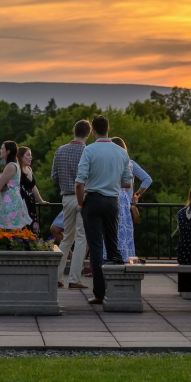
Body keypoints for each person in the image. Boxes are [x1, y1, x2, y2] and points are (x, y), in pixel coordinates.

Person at [76, 115, 133, 304]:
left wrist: (81, 204)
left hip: (93, 200)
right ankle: (117, 288)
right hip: (112, 202)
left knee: (96, 248)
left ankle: (99, 293)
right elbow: (127, 182)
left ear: (93, 130)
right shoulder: (121, 152)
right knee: (112, 245)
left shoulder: (89, 150)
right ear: (108, 128)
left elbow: (79, 182)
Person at [51, 119, 91, 290]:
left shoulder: (60, 151)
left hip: (66, 198)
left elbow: (54, 176)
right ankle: (74, 279)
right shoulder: (88, 151)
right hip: (84, 197)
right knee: (81, 239)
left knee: (66, 239)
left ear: (74, 131)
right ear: (87, 134)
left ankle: (58, 277)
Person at [104, 137, 152, 262]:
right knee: (124, 233)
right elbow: (147, 179)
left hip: (112, 198)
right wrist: (136, 195)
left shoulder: (111, 163)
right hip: (127, 203)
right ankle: (125, 257)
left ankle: (109, 258)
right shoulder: (130, 163)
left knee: (110, 229)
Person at [0, 140, 29, 230]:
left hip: (10, 203)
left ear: (8, 152)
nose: (0, 151)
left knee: (9, 231)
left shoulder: (10, 166)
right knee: (11, 232)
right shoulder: (15, 165)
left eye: (2, 149)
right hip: (12, 201)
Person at [17, 146, 49, 234]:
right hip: (22, 204)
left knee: (33, 229)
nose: (31, 157)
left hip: (31, 203)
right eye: (28, 155)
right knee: (23, 229)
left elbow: (33, 187)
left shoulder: (29, 169)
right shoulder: (17, 170)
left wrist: (41, 201)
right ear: (21, 156)